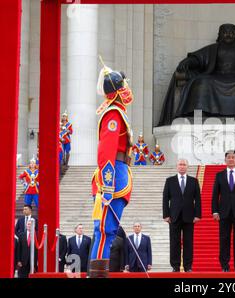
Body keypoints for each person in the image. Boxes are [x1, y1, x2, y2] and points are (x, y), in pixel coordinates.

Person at [90, 63, 134, 277]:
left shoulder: (117, 113)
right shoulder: (114, 115)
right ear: (117, 89)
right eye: (124, 85)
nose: (127, 88)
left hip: (119, 171)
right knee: (106, 231)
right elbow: (106, 152)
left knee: (108, 231)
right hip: (113, 176)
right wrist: (107, 186)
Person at [163, 159, 201, 272]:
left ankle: (188, 266)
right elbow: (165, 198)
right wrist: (166, 214)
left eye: (184, 164)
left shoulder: (194, 181)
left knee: (188, 242)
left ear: (187, 167)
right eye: (180, 164)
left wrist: (197, 215)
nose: (182, 166)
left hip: (189, 216)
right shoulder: (170, 181)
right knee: (174, 242)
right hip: (174, 216)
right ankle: (175, 266)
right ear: (177, 166)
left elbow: (198, 199)